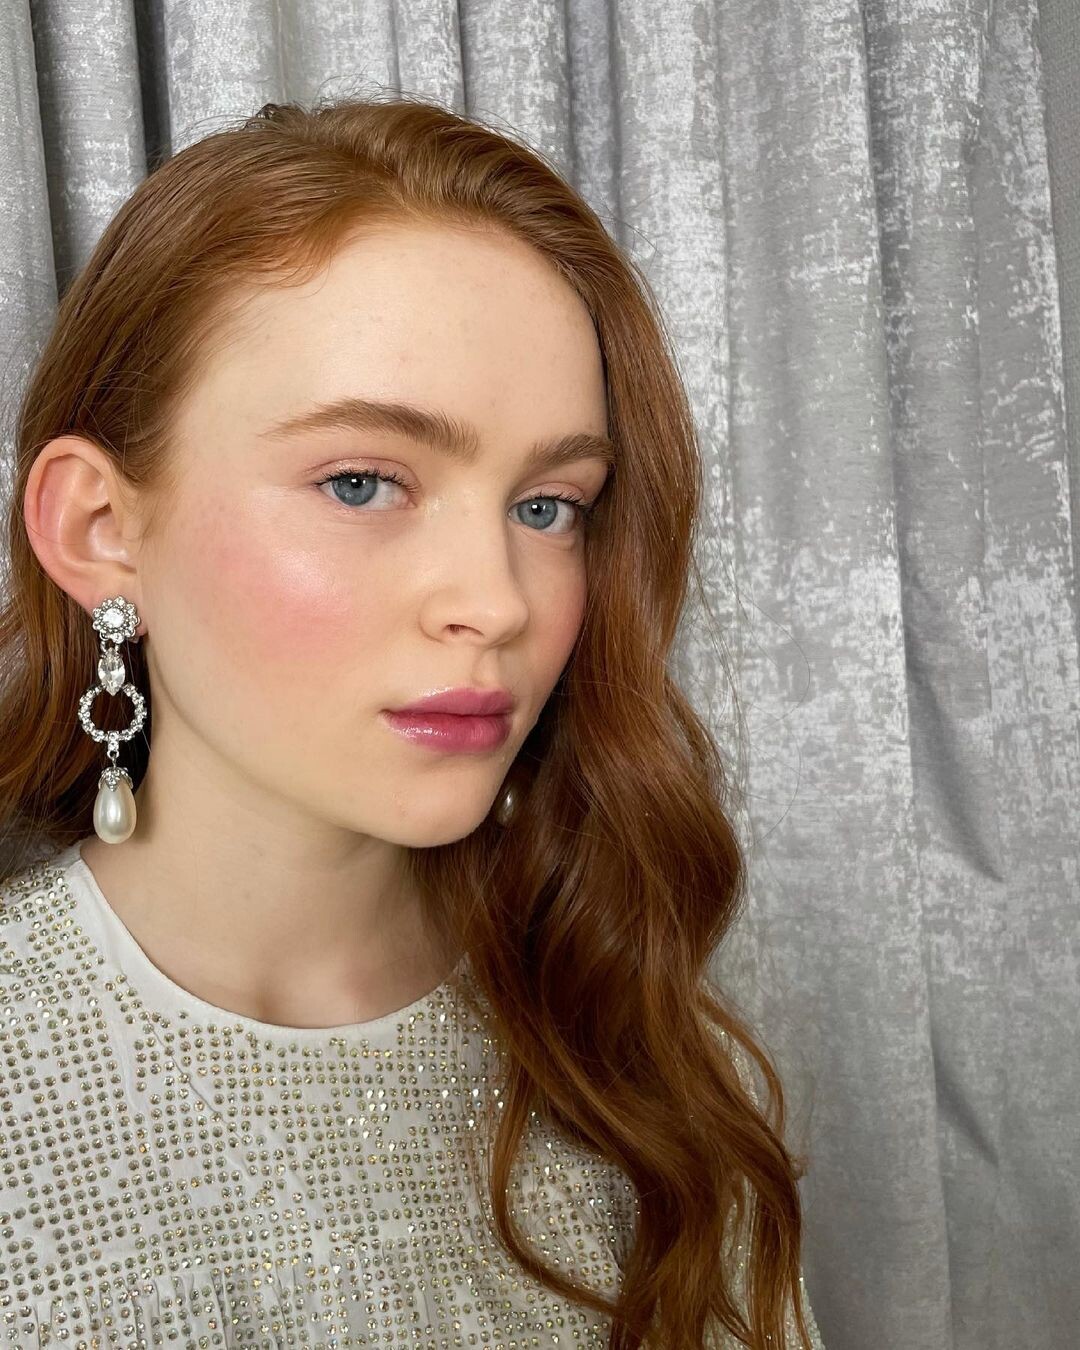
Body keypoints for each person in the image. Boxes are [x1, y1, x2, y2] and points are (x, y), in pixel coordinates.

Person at [0, 96, 825, 1348]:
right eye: (361, 482)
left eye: (549, 506)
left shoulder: (637, 1049)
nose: (497, 602)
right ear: (100, 529)